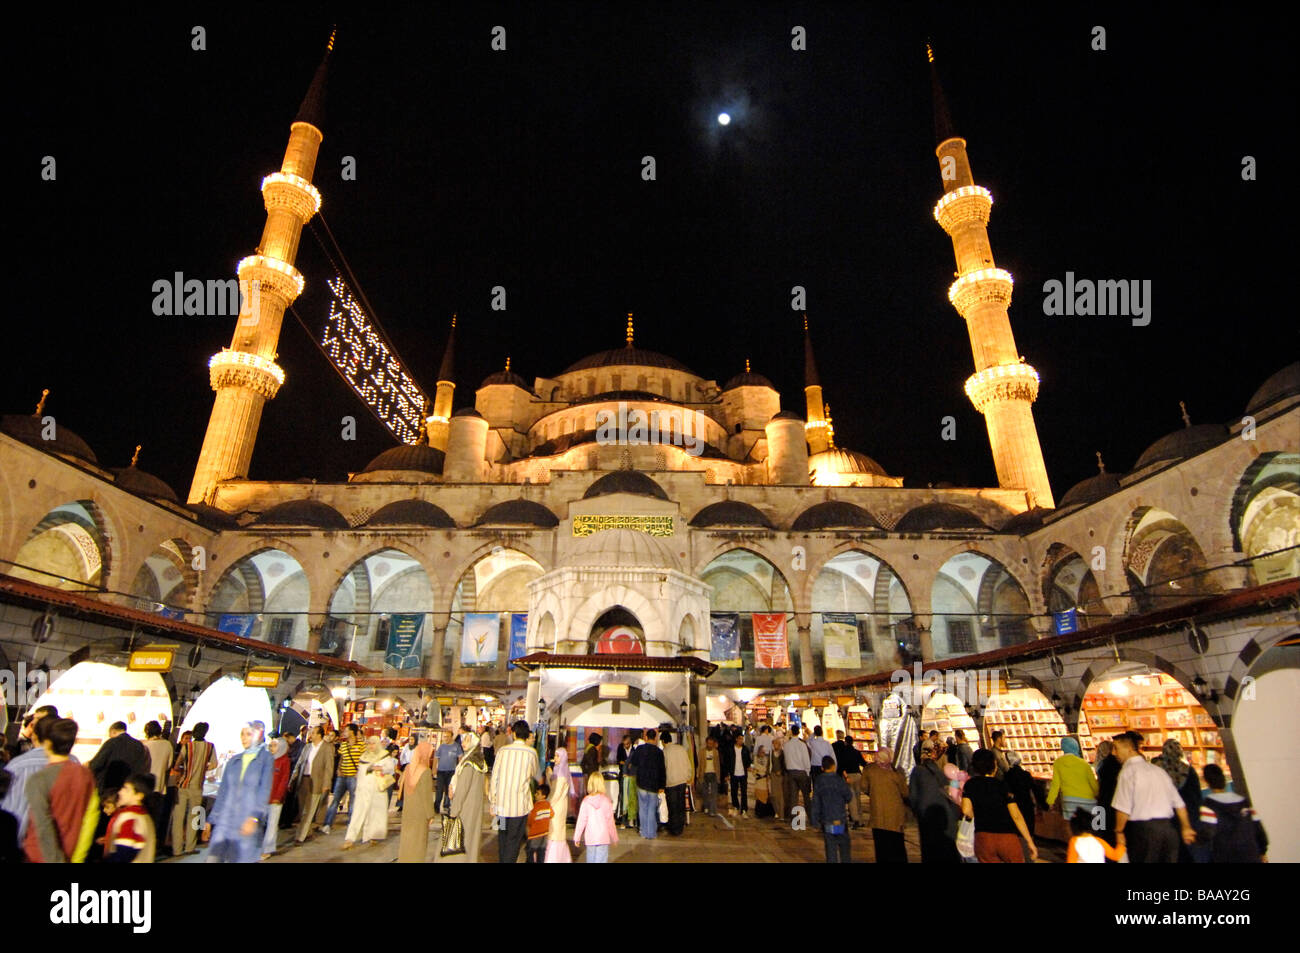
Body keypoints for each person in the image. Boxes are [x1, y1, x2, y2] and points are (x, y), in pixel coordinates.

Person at [1110, 731, 1196, 864]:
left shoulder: (1127, 772)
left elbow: (1123, 808)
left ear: (1129, 749)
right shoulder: (1158, 771)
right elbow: (1179, 804)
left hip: (1144, 832)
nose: (1113, 753)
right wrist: (1186, 827)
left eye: (1116, 748)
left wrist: (1119, 832)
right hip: (1168, 830)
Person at [24, 718, 97, 863]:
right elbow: (91, 819)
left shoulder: (39, 779)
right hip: (72, 854)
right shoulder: (86, 775)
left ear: (48, 743)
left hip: (40, 856)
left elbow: (42, 825)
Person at [2, 708, 75, 843]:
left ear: (35, 734)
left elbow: (10, 809)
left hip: (26, 846)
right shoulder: (77, 767)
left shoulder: (18, 766)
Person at [206, 721, 273, 863]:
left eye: (248, 734)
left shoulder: (265, 759)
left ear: (258, 734)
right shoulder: (234, 761)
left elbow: (264, 790)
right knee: (213, 859)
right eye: (242, 734)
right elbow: (223, 792)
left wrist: (254, 817)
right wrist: (210, 821)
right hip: (225, 821)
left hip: (247, 821)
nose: (244, 738)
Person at [961, 748, 1037, 863]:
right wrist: (1029, 841)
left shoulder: (970, 785)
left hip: (983, 837)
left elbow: (966, 810)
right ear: (994, 765)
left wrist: (974, 815)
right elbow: (1016, 815)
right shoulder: (1002, 785)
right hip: (1007, 837)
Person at [1196, 763, 1267, 863]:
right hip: (1250, 854)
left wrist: (1196, 839)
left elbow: (1208, 833)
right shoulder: (1244, 802)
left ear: (1206, 781)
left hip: (1225, 856)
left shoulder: (1209, 806)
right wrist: (1262, 852)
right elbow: (1259, 830)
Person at [489, 720, 539, 863]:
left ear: (514, 734)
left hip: (500, 806)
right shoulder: (531, 753)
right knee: (514, 839)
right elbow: (534, 773)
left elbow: (495, 777)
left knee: (502, 835)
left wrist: (493, 801)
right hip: (519, 806)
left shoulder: (503, 751)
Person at [438, 729, 489, 864]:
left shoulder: (468, 764)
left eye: (467, 740)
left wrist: (454, 812)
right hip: (474, 808)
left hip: (464, 809)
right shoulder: (479, 763)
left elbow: (462, 790)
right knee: (470, 841)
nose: (463, 743)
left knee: (457, 845)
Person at [909, 739, 961, 863]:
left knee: (930, 852)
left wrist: (917, 812)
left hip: (927, 818)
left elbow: (913, 796)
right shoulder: (940, 773)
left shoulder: (918, 771)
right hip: (946, 818)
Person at [170, 721, 216, 856]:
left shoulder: (187, 746)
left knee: (178, 819)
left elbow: (178, 763)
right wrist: (203, 768)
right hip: (198, 787)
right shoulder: (210, 747)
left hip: (183, 786)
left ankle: (176, 849)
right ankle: (190, 847)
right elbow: (214, 764)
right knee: (194, 817)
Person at [343, 733, 397, 848]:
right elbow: (360, 773)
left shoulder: (384, 755)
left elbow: (390, 768)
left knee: (375, 813)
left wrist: (380, 768)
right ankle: (350, 838)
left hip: (376, 790)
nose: (371, 746)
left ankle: (373, 836)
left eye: (373, 743)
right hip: (363, 789)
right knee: (358, 813)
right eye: (370, 743)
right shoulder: (364, 756)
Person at [1153, 739, 1201, 863]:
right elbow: (1196, 795)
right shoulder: (1188, 770)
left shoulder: (1158, 770)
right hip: (1189, 814)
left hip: (1166, 816)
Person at [863, 747, 909, 862]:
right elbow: (905, 792)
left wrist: (873, 793)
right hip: (895, 816)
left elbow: (864, 787)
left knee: (881, 847)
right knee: (897, 846)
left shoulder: (869, 770)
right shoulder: (895, 773)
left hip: (877, 814)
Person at [321, 724, 366, 834]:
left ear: (352, 732)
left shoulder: (361, 745)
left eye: (346, 730)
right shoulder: (344, 744)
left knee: (352, 801)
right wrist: (339, 769)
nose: (345, 732)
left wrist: (359, 772)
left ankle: (351, 824)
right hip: (342, 776)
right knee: (336, 799)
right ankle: (327, 824)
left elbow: (364, 760)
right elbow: (341, 758)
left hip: (353, 777)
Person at [293, 725, 335, 844]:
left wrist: (326, 784)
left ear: (319, 735)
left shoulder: (327, 748)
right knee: (302, 810)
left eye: (313, 733)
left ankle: (299, 837)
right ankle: (308, 832)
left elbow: (329, 767)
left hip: (317, 781)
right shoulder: (307, 747)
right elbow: (299, 763)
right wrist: (293, 778)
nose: (311, 735)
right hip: (304, 780)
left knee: (309, 810)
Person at [87, 721, 151, 797]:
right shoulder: (139, 745)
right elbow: (141, 767)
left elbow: (97, 764)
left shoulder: (112, 742)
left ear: (113, 731)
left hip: (108, 788)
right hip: (128, 789)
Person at [103, 774, 156, 863]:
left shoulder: (129, 818)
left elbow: (123, 854)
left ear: (139, 796)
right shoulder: (146, 817)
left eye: (126, 789)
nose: (120, 792)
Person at [810, 756, 853, 863]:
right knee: (844, 847)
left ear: (822, 768)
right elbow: (848, 796)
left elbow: (816, 802)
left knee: (830, 847)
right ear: (834, 766)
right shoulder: (839, 779)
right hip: (840, 818)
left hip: (827, 819)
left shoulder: (819, 781)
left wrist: (814, 820)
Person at [397, 741, 434, 862]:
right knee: (418, 842)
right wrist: (430, 815)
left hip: (408, 811)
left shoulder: (408, 768)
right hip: (420, 812)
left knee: (407, 840)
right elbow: (426, 796)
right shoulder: (425, 771)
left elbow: (400, 786)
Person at [1046, 736, 1098, 822]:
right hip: (1088, 799)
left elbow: (1055, 785)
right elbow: (1093, 783)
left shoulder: (1058, 763)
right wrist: (1097, 794)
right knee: (1089, 824)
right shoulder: (1084, 763)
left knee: (1072, 826)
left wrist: (1050, 801)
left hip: (1069, 800)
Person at [574, 770, 619, 862]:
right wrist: (614, 837)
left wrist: (577, 837)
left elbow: (581, 821)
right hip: (603, 838)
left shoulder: (586, 801)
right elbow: (610, 822)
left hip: (590, 838)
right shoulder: (606, 801)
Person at [629, 727, 666, 838]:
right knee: (651, 809)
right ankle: (651, 833)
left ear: (645, 737)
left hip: (641, 783)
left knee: (643, 808)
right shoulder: (659, 752)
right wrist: (662, 785)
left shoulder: (639, 749)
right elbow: (662, 770)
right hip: (654, 785)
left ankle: (643, 832)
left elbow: (633, 763)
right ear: (655, 738)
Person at [141, 720, 172, 848]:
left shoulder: (146, 745)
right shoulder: (168, 745)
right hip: (160, 788)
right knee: (154, 821)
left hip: (145, 787)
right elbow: (169, 765)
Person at [261, 737, 292, 859]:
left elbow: (284, 780)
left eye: (274, 745)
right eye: (271, 745)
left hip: (275, 799)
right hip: (264, 797)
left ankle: (268, 849)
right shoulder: (268, 759)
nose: (271, 748)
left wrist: (278, 796)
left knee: (272, 824)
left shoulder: (284, 761)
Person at [833, 731, 866, 828]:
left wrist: (844, 776)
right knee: (858, 797)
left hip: (848, 776)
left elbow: (841, 766)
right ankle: (860, 819)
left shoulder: (843, 753)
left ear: (846, 742)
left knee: (851, 799)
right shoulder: (856, 752)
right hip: (858, 775)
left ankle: (855, 818)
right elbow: (863, 763)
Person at [546, 744, 573, 862]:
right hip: (557, 804)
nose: (555, 758)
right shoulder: (559, 770)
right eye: (555, 756)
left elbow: (556, 793)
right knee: (554, 831)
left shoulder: (562, 773)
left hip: (557, 806)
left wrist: (548, 804)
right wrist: (549, 776)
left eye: (557, 756)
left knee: (555, 831)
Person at [662, 729, 691, 834]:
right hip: (682, 781)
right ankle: (680, 827)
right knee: (681, 805)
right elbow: (688, 764)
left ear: (663, 741)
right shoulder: (681, 749)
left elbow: (663, 768)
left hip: (671, 783)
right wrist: (688, 776)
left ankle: (674, 829)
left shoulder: (665, 752)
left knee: (673, 806)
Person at [1093, 739, 1122, 843]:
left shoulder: (1101, 765)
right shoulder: (1117, 764)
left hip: (1102, 802)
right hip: (1114, 802)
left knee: (1101, 829)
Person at [782, 727, 812, 813]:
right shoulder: (802, 744)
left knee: (793, 797)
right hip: (802, 772)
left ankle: (794, 819)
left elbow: (786, 759)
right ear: (799, 733)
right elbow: (806, 759)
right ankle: (810, 816)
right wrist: (807, 771)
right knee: (806, 796)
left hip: (791, 772)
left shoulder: (787, 745)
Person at [434, 730, 461, 815]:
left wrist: (459, 770)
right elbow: (436, 758)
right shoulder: (441, 747)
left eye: (447, 736)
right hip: (441, 771)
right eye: (444, 736)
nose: (445, 738)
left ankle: (447, 805)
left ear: (451, 737)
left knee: (449, 789)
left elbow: (460, 758)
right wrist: (434, 770)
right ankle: (436, 805)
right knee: (439, 790)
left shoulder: (456, 746)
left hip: (451, 771)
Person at [526, 782, 553, 863]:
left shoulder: (535, 806)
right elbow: (551, 814)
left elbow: (531, 819)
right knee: (541, 853)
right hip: (544, 833)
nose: (535, 795)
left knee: (530, 851)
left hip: (534, 834)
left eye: (537, 794)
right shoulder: (548, 805)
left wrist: (528, 827)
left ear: (543, 796)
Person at [617, 733, 637, 828]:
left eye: (627, 744)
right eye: (624, 744)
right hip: (623, 776)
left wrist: (627, 763)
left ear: (630, 743)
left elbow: (635, 763)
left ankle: (631, 819)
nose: (625, 746)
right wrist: (626, 763)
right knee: (623, 798)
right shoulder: (620, 748)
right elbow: (619, 761)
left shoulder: (635, 750)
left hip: (633, 776)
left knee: (632, 798)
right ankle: (623, 820)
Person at [699, 735, 721, 816]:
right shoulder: (701, 752)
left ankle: (712, 810)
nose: (710, 745)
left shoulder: (716, 752)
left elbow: (718, 765)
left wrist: (718, 775)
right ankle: (706, 806)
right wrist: (698, 775)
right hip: (704, 773)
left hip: (713, 773)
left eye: (711, 744)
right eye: (709, 743)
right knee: (705, 792)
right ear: (706, 743)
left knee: (713, 793)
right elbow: (700, 763)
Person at [769, 736, 787, 820]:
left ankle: (781, 814)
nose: (776, 745)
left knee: (780, 795)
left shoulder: (782, 753)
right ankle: (776, 810)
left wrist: (781, 771)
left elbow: (784, 765)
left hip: (780, 776)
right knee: (773, 795)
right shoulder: (771, 753)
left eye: (777, 744)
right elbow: (769, 764)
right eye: (774, 743)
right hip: (773, 775)